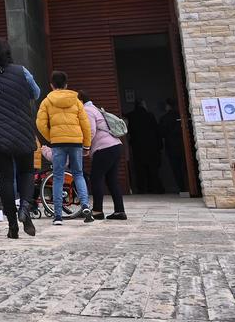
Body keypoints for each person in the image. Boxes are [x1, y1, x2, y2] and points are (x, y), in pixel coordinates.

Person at [0, 38, 39, 239]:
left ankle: (12, 226)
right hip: (23, 129)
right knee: (26, 172)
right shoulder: (21, 71)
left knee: (5, 179)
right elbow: (36, 92)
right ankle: (25, 206)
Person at [37, 71, 93, 225]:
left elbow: (40, 123)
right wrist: (86, 144)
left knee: (58, 176)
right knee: (78, 174)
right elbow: (85, 125)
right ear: (66, 85)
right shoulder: (76, 101)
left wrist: (51, 138)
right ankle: (85, 206)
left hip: (58, 143)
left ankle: (58, 216)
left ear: (51, 85)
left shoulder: (47, 101)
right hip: (76, 142)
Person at [81, 91, 127, 220]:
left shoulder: (87, 110)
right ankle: (119, 211)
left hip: (104, 148)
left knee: (96, 178)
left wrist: (86, 147)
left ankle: (97, 211)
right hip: (115, 146)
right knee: (112, 180)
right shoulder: (95, 108)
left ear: (80, 101)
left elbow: (91, 130)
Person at [125, 99, 162, 194]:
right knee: (153, 169)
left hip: (137, 147)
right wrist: (160, 145)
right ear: (143, 105)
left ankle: (141, 189)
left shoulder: (130, 116)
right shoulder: (150, 115)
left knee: (139, 170)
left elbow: (127, 131)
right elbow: (157, 131)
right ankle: (154, 188)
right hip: (152, 146)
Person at [159, 100, 186, 194]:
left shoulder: (164, 118)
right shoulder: (181, 115)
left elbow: (161, 133)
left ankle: (182, 188)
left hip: (171, 146)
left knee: (176, 168)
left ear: (168, 106)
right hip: (183, 145)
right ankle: (189, 187)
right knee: (185, 167)